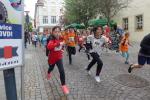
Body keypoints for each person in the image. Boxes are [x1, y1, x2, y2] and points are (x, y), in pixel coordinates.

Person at [47, 26, 69, 94]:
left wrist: (62, 49)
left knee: (61, 70)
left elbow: (65, 43)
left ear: (60, 32)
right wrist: (58, 43)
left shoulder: (61, 38)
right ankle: (48, 73)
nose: (57, 33)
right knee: (51, 68)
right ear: (53, 33)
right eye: (55, 32)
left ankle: (63, 85)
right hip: (52, 59)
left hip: (59, 58)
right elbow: (49, 46)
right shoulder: (51, 39)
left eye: (58, 31)